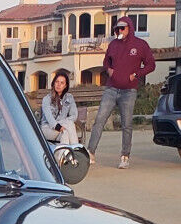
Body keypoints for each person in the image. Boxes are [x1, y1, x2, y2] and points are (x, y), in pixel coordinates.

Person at [87, 17, 156, 168]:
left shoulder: (140, 45)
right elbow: (106, 62)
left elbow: (151, 65)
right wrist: (109, 70)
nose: (119, 31)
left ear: (129, 28)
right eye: (117, 28)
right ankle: (90, 152)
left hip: (129, 91)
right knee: (99, 120)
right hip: (111, 89)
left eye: (122, 28)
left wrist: (136, 75)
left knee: (126, 124)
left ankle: (125, 156)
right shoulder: (113, 44)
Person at [39, 69, 79, 144]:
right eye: (57, 82)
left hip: (62, 127)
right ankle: (76, 150)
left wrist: (62, 123)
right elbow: (49, 118)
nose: (59, 84)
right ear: (53, 83)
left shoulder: (69, 97)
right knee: (69, 125)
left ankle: (61, 155)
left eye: (62, 83)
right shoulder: (47, 99)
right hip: (47, 129)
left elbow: (74, 115)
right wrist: (58, 126)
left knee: (65, 133)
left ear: (65, 86)